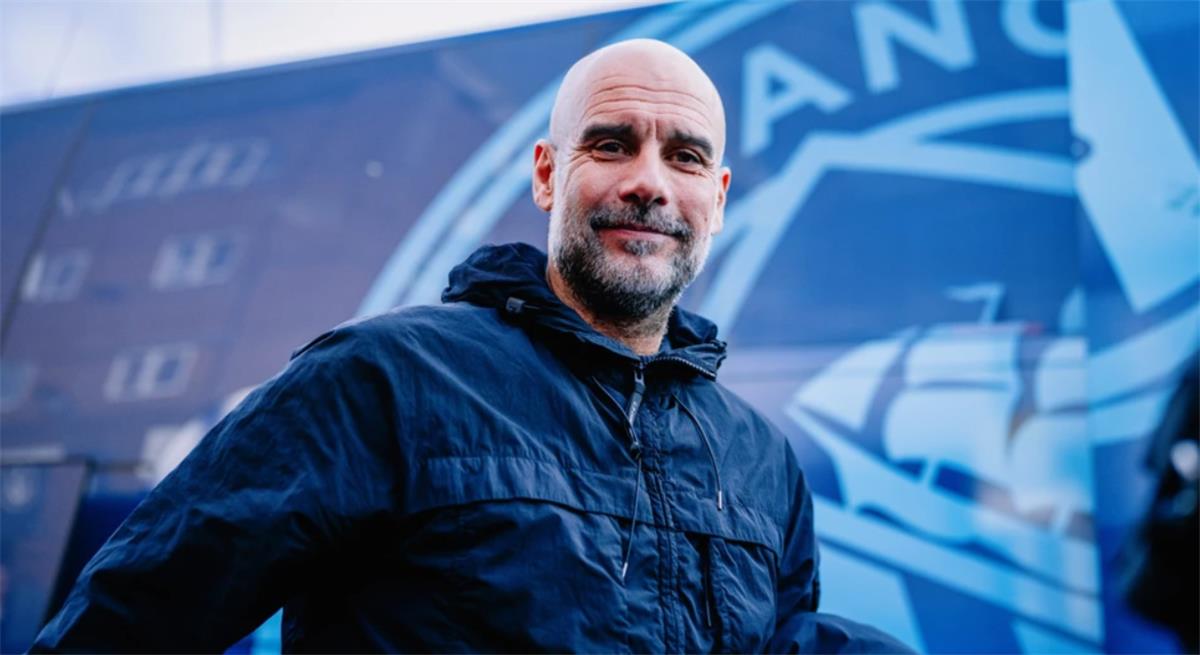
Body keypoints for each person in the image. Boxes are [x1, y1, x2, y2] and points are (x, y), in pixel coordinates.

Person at [34, 39, 913, 653]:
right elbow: (127, 624)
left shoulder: (761, 459)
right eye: (612, 144)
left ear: (716, 199)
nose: (649, 181)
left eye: (684, 157)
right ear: (547, 175)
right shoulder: (383, 380)